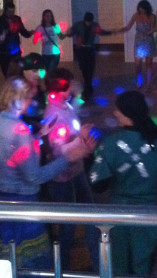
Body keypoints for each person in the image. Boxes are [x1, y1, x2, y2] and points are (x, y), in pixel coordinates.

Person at [0, 76, 96, 270]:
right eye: (28, 98)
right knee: (30, 259)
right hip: (20, 201)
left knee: (8, 251)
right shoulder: (19, 130)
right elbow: (35, 176)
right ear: (17, 99)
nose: (31, 102)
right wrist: (69, 158)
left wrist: (38, 136)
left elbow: (14, 155)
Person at [89, 90, 157, 276]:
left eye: (118, 109)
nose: (115, 113)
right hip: (148, 217)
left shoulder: (110, 144)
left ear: (127, 114)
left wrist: (90, 158)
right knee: (143, 268)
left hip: (117, 217)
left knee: (118, 268)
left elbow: (97, 185)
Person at [43, 67, 97, 270]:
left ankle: (93, 258)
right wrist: (80, 139)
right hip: (64, 177)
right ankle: (63, 265)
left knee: (87, 213)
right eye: (68, 87)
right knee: (68, 225)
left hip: (76, 170)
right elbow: (59, 150)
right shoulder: (53, 114)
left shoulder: (63, 105)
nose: (71, 89)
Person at [64, 12, 112, 100]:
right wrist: (68, 32)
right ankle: (87, 84)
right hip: (81, 49)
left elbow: (101, 32)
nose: (88, 23)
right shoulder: (78, 25)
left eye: (89, 22)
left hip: (90, 49)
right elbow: (70, 34)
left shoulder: (94, 25)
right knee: (83, 67)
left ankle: (88, 85)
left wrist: (111, 32)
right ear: (84, 20)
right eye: (87, 22)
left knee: (90, 68)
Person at [118, 0, 156, 93]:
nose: (141, 10)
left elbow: (154, 28)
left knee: (148, 64)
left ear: (147, 8)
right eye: (140, 8)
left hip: (148, 41)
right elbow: (128, 27)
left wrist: (148, 33)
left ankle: (149, 84)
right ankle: (139, 79)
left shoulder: (152, 16)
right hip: (139, 41)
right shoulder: (135, 15)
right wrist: (119, 30)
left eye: (143, 8)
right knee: (137, 64)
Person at [0, 2, 34, 78]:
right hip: (4, 52)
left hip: (16, 51)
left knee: (19, 72)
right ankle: (10, 85)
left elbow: (22, 31)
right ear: (5, 11)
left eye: (13, 11)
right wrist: (6, 31)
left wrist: (29, 33)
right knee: (7, 73)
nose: (11, 14)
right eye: (9, 11)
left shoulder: (17, 19)